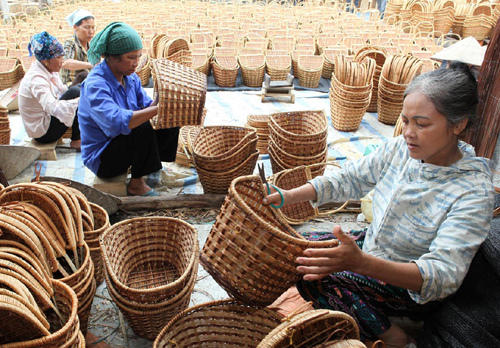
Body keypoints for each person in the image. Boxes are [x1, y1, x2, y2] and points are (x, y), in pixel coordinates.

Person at [264, 62, 494, 348]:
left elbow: (442, 276)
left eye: (421, 124)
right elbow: (351, 177)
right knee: (298, 250)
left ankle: (397, 337)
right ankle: (360, 297)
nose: (409, 132)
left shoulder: (472, 191)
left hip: (407, 289)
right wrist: (287, 195)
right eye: (406, 120)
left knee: (315, 278)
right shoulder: (401, 149)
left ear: (458, 124)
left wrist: (360, 263)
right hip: (373, 246)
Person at [78, 22, 179, 197]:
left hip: (122, 143)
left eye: (139, 57)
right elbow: (116, 122)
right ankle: (136, 185)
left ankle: (150, 167)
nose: (136, 63)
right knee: (141, 127)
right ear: (113, 58)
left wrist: (164, 101)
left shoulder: (130, 79)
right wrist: (157, 110)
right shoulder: (95, 84)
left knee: (170, 120)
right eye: (131, 58)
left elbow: (148, 106)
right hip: (103, 158)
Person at [19, 31, 81, 150]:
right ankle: (77, 140)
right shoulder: (36, 79)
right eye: (58, 57)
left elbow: (61, 90)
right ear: (45, 60)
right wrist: (80, 101)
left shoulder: (48, 70)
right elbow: (53, 107)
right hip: (43, 132)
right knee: (78, 93)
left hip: (47, 120)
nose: (62, 61)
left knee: (81, 81)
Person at [60, 9, 95, 85]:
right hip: (71, 86)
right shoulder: (71, 43)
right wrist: (90, 64)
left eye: (93, 27)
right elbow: (64, 63)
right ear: (75, 27)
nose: (91, 31)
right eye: (87, 27)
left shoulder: (91, 46)